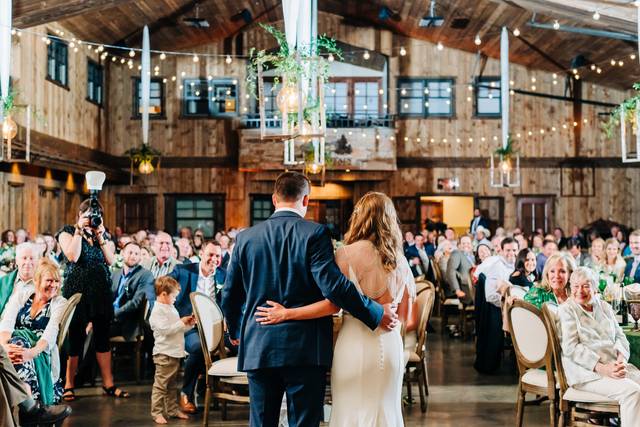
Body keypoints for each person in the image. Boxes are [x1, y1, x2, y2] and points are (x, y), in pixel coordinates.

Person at [221, 172, 398, 427]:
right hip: (305, 348)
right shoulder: (315, 233)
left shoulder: (246, 237)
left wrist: (236, 331)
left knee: (261, 422)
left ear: (274, 199)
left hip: (259, 345)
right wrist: (376, 312)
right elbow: (334, 287)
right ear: (305, 200)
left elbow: (230, 293)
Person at [254, 191, 415, 427]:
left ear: (360, 217)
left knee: (350, 411)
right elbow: (405, 317)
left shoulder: (346, 254)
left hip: (355, 343)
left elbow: (332, 304)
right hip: (391, 345)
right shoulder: (400, 260)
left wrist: (287, 313)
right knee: (387, 411)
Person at [56, 199, 128, 402]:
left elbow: (111, 260)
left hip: (100, 293)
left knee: (102, 339)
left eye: (94, 215)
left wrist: (99, 235)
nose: (90, 219)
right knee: (76, 338)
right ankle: (69, 383)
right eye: (86, 214)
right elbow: (72, 255)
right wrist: (79, 231)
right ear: (79, 215)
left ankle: (108, 383)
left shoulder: (102, 236)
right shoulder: (67, 232)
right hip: (77, 292)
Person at [559, 267, 640, 427]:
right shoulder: (567, 310)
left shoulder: (603, 306)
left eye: (586, 285)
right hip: (587, 374)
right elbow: (571, 348)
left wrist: (621, 361)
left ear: (595, 287)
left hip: (613, 367)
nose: (580, 291)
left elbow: (620, 337)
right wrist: (604, 369)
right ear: (570, 287)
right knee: (633, 392)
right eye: (575, 286)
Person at [168, 241, 225, 413]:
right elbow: (163, 286)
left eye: (217, 256)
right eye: (210, 254)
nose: (214, 259)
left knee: (241, 343)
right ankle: (186, 392)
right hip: (190, 326)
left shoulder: (224, 275)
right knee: (198, 348)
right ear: (201, 253)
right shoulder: (184, 270)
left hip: (216, 327)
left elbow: (232, 301)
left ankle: (219, 386)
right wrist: (174, 316)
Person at [0, 259, 67, 404]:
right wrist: (4, 347)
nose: (54, 285)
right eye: (49, 280)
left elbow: (50, 334)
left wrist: (31, 352)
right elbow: (7, 323)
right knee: (15, 345)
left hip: (40, 349)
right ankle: (27, 401)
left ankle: (28, 399)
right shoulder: (22, 295)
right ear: (37, 281)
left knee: (19, 347)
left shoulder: (59, 303)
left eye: (57, 281)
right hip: (13, 344)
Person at [148, 276, 194, 424]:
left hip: (174, 353)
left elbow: (176, 329)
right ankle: (156, 412)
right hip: (164, 354)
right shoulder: (157, 311)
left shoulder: (169, 307)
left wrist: (188, 324)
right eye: (173, 296)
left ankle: (172, 409)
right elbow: (165, 330)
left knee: (172, 385)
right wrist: (181, 322)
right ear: (164, 294)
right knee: (161, 386)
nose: (175, 299)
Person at [110, 242, 155, 340]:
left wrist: (113, 314)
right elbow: (106, 298)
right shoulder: (115, 274)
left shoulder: (145, 275)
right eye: (130, 252)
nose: (133, 256)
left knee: (97, 332)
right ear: (122, 253)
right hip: (110, 319)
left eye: (136, 254)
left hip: (128, 323)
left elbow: (136, 303)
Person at [0, 243, 36, 318]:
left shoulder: (43, 283)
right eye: (24, 258)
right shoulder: (3, 282)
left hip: (27, 327)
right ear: (16, 261)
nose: (28, 262)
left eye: (32, 258)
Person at [485, 237, 519, 309]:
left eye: (514, 250)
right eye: (508, 250)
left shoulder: (518, 265)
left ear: (518, 251)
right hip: (502, 308)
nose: (512, 253)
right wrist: (506, 301)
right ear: (502, 251)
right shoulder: (497, 267)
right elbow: (489, 295)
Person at [445, 235, 474, 305]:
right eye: (463, 243)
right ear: (459, 245)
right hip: (465, 289)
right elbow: (450, 271)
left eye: (468, 243)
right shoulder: (457, 253)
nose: (466, 245)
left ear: (472, 245)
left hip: (475, 287)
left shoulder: (473, 256)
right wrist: (457, 290)